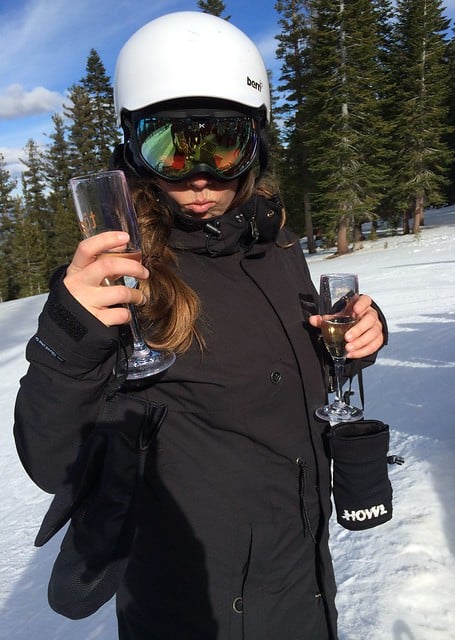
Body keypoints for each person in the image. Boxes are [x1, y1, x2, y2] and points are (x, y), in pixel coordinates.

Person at [14, 11, 386, 640]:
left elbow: (288, 358)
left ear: (256, 144)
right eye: (170, 147)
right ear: (133, 148)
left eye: (223, 144)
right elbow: (55, 461)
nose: (200, 178)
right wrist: (69, 335)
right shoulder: (118, 272)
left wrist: (357, 335)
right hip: (194, 604)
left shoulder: (274, 245)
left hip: (300, 574)